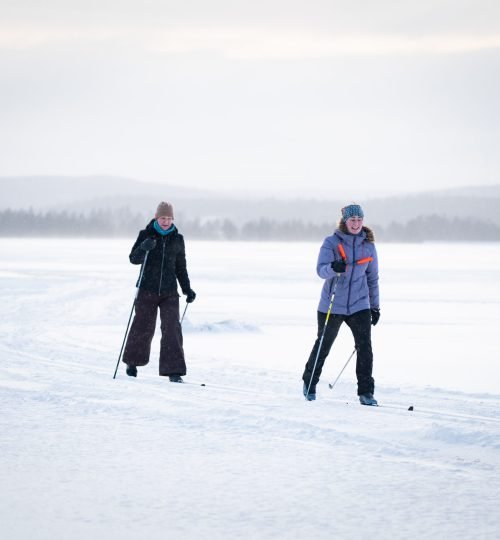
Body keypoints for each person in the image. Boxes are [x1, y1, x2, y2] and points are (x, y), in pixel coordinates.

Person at [302, 203, 380, 405]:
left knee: (365, 348)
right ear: (345, 222)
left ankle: (366, 392)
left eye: (359, 220)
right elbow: (321, 270)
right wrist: (333, 268)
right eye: (352, 220)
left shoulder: (368, 246)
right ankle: (309, 382)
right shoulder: (331, 242)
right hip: (333, 304)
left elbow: (373, 279)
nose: (356, 224)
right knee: (324, 345)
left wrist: (375, 306)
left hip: (359, 304)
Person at [122, 201, 196, 382]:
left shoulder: (177, 239)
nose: (166, 221)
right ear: (156, 217)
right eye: (163, 217)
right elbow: (134, 259)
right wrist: (143, 247)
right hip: (147, 289)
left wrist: (187, 289)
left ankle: (174, 371)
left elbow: (181, 267)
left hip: (169, 292)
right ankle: (132, 362)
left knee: (172, 328)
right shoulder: (146, 234)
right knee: (143, 326)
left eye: (169, 218)